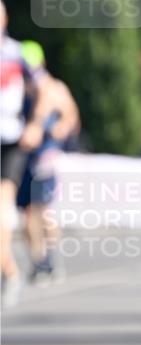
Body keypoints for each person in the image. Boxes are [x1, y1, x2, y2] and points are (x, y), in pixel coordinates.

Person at [16, 41, 80, 283]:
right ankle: (37, 259)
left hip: (45, 153)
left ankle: (51, 258)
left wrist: (59, 132)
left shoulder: (54, 87)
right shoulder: (17, 88)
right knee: (26, 212)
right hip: (24, 154)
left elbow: (71, 118)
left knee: (42, 208)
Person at [0, 2, 46, 304]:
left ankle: (12, 272)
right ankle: (10, 270)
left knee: (3, 202)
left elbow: (46, 90)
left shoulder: (18, 53)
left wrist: (36, 124)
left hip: (12, 139)